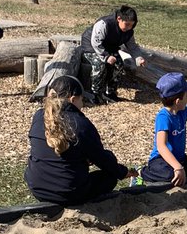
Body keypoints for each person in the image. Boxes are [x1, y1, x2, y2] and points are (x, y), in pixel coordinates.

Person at [24, 74, 135, 205]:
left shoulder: (39, 116)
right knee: (109, 178)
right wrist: (123, 172)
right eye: (82, 100)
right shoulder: (81, 124)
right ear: (73, 99)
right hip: (68, 192)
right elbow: (102, 159)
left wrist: (80, 156)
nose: (82, 104)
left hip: (37, 187)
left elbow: (55, 149)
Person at [80, 5, 145, 104]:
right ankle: (94, 94)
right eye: (127, 24)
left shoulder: (128, 31)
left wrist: (139, 58)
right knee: (100, 64)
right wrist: (106, 56)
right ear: (119, 19)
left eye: (131, 25)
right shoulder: (104, 23)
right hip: (91, 47)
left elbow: (132, 46)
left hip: (109, 48)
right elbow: (96, 43)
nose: (129, 27)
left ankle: (110, 93)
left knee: (119, 64)